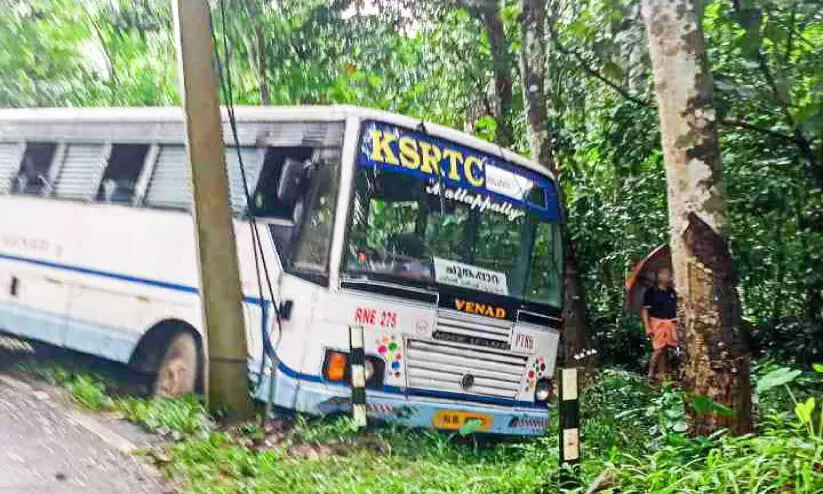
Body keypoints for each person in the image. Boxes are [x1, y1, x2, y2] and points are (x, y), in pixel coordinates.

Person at [641, 267, 678, 382]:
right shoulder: (651, 292)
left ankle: (663, 374)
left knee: (666, 348)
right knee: (658, 348)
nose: (668, 276)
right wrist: (647, 327)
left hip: (671, 322)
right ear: (659, 276)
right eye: (665, 274)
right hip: (657, 323)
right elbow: (644, 310)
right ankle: (651, 373)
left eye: (670, 274)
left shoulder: (672, 292)